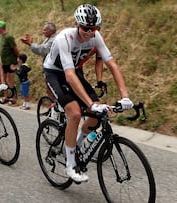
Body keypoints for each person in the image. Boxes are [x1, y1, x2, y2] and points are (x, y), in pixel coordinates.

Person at [43, 4, 134, 182]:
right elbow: (68, 76)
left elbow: (112, 65)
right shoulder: (65, 38)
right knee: (75, 113)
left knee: (96, 116)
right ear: (77, 24)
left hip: (74, 71)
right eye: (86, 28)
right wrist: (91, 103)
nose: (90, 32)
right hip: (55, 73)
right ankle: (70, 165)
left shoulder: (95, 36)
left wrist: (125, 96)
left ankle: (76, 145)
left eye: (94, 28)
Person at [0, 21, 19, 104]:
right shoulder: (2, 36)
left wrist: (17, 59)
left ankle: (14, 97)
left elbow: (15, 48)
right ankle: (5, 96)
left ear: (0, 28)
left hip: (10, 62)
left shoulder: (9, 37)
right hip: (4, 62)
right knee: (3, 80)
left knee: (11, 80)